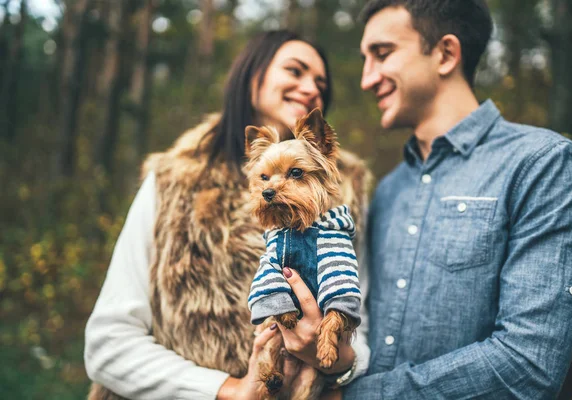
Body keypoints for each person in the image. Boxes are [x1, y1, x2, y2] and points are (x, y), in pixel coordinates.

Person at [290, 0, 572, 399]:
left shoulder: (543, 165)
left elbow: (528, 366)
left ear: (446, 53)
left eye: (382, 54)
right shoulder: (387, 190)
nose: (366, 79)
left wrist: (360, 396)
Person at [84, 30, 373, 400]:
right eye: (295, 71)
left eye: (320, 82)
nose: (311, 88)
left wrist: (336, 361)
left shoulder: (346, 198)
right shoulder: (173, 181)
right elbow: (108, 344)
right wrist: (228, 390)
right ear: (252, 76)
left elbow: (359, 328)